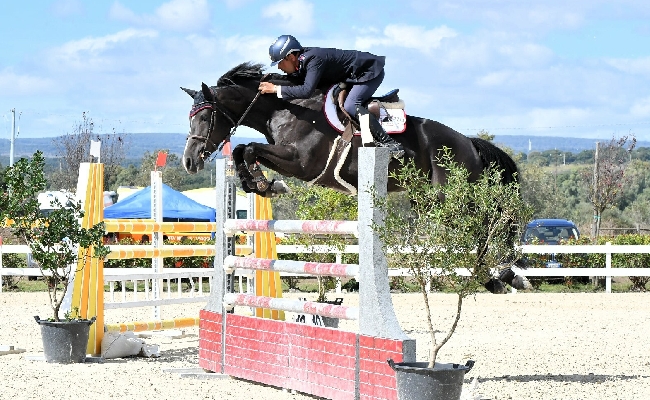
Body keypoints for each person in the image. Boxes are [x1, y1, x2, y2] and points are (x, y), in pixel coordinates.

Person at [259, 34, 404, 158]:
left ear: (290, 57)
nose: (279, 67)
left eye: (280, 63)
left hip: (368, 73)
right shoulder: (302, 61)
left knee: (350, 105)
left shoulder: (313, 59)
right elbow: (298, 81)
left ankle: (389, 143)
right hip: (350, 76)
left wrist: (276, 89)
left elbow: (306, 91)